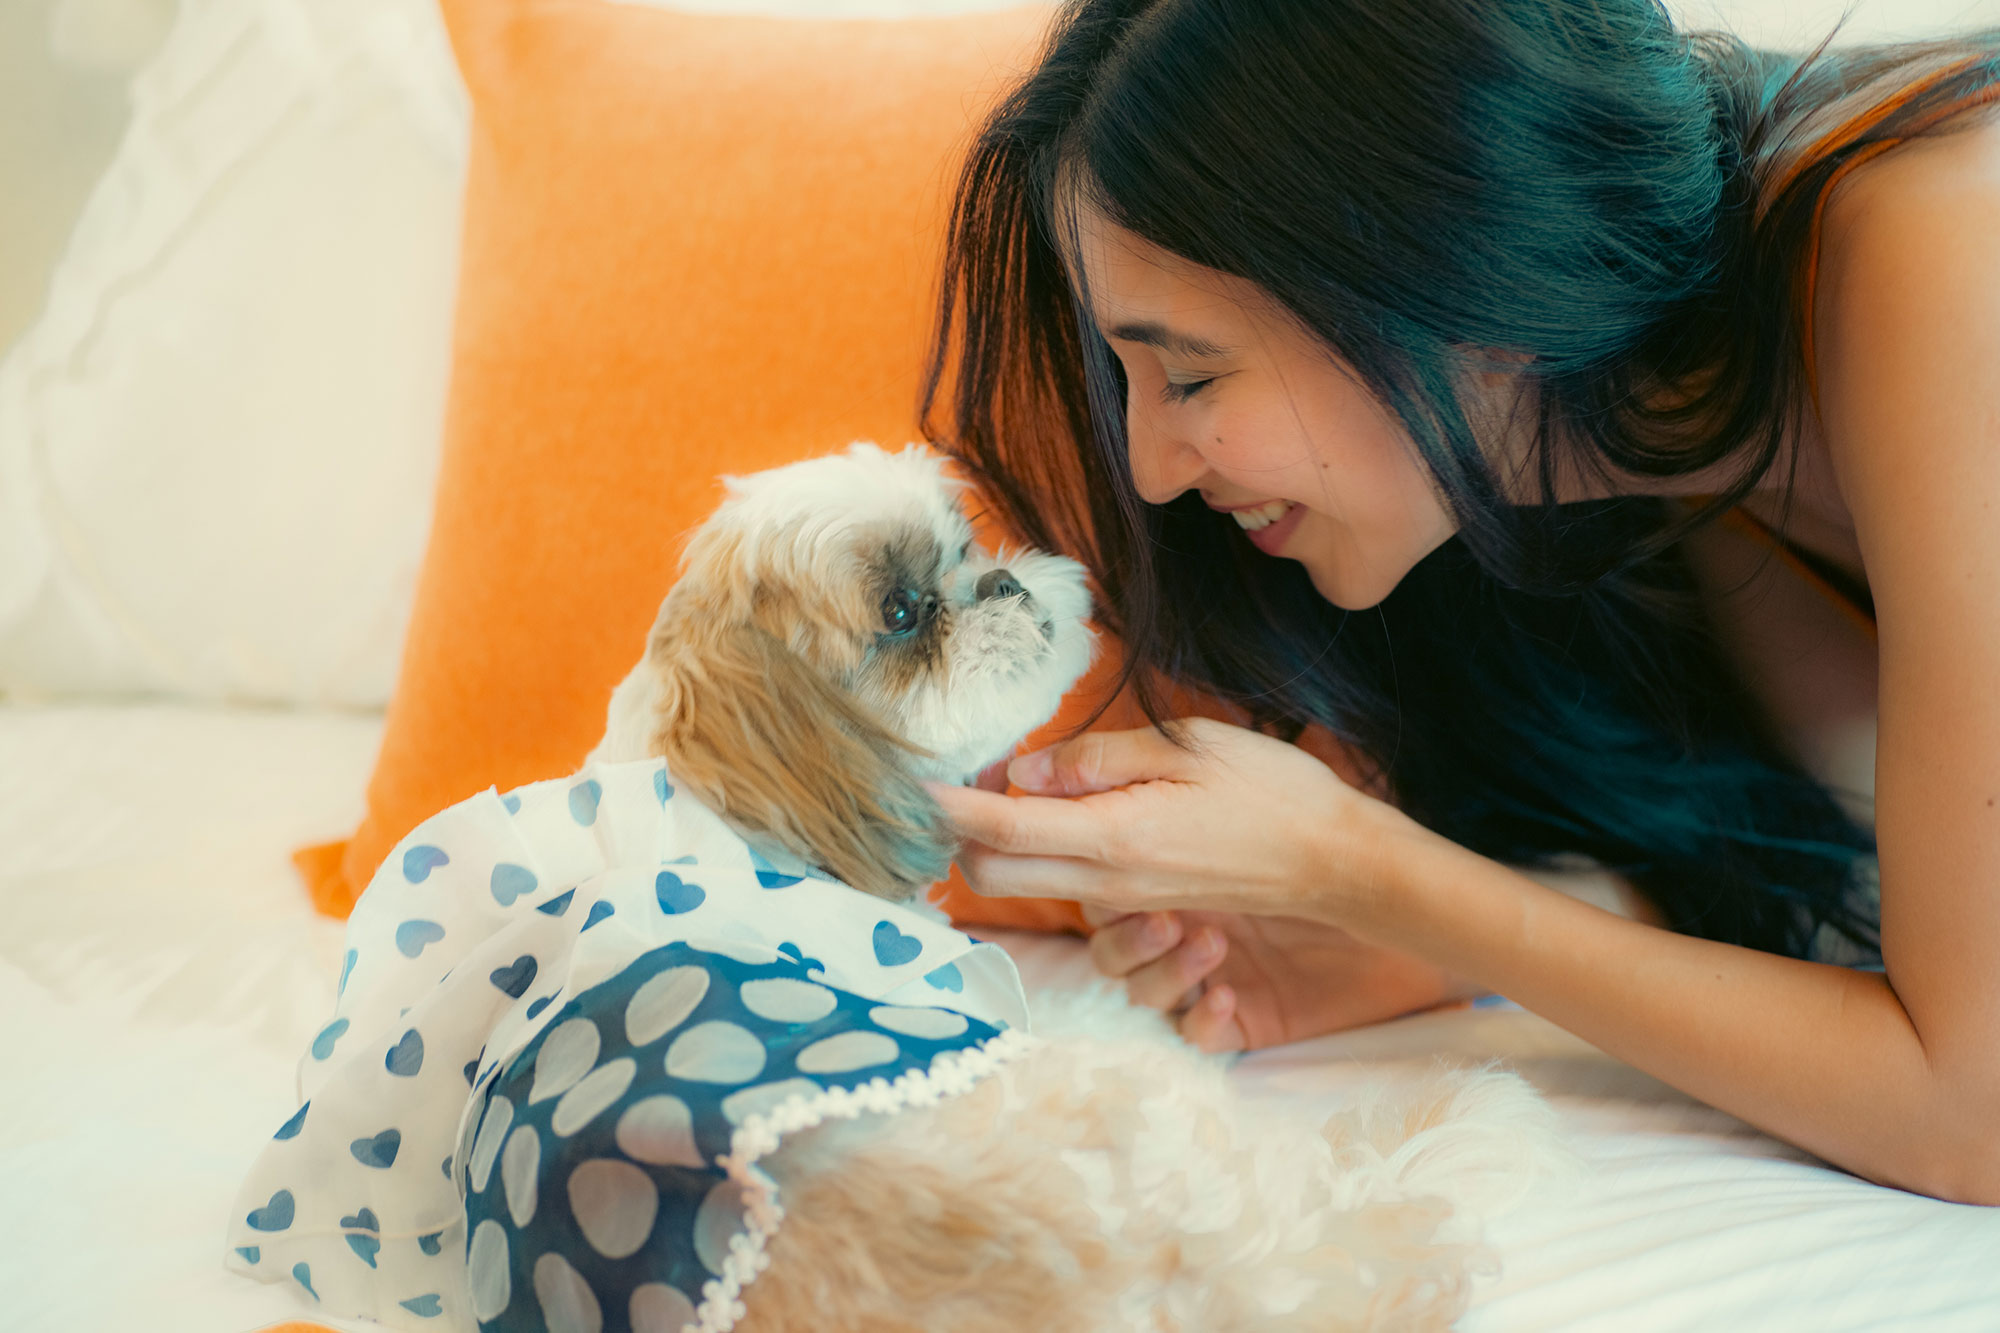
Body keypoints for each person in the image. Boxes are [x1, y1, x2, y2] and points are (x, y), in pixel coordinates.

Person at [918, 0, 2000, 1204]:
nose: (1152, 466)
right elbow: (1886, 904)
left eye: (1188, 372)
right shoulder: (1664, 462)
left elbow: (1971, 1112)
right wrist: (1449, 937)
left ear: (1455, 278)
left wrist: (1362, 869)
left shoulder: (1939, 236)